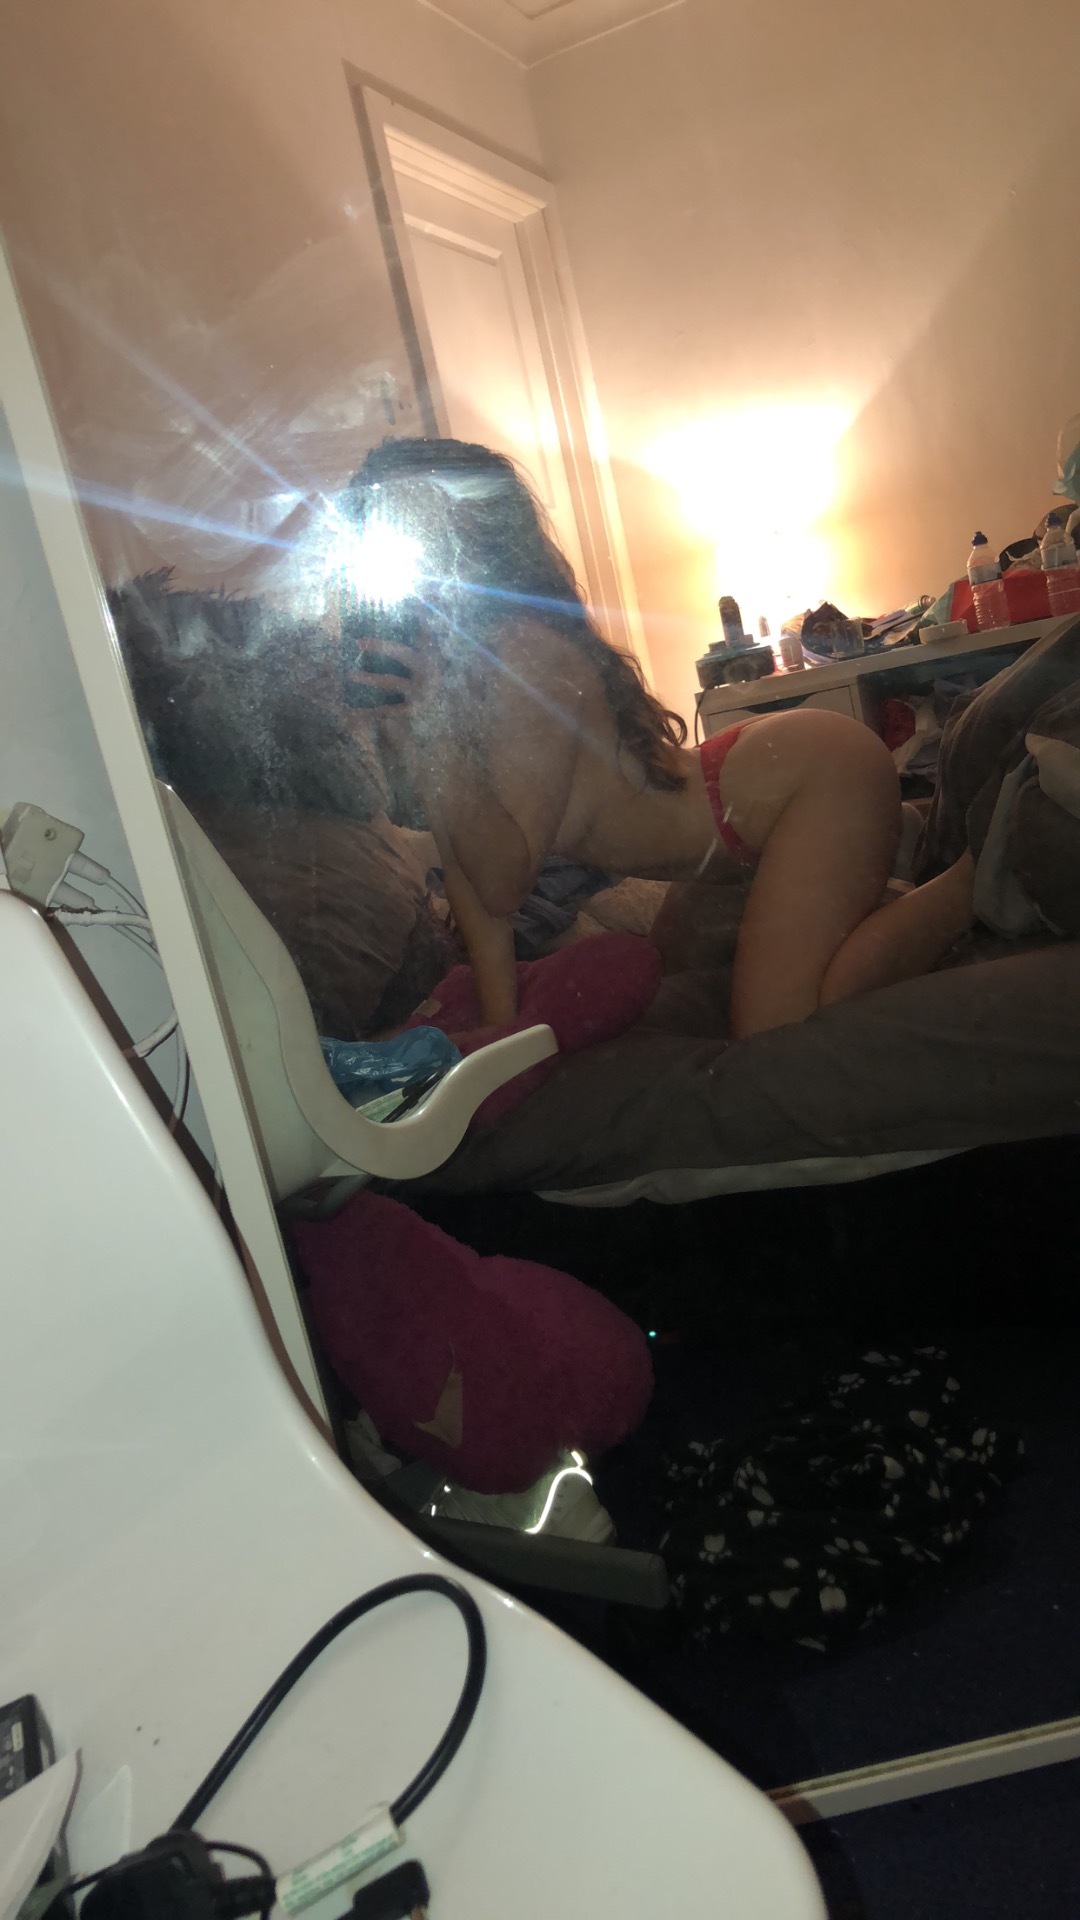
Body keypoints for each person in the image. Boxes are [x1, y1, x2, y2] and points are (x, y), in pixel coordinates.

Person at [336, 437, 975, 1039]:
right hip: (735, 820)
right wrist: (500, 1033)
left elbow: (505, 883)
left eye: (421, 533)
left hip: (812, 778)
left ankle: (971, 880)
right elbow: (472, 881)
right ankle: (876, 863)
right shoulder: (446, 677)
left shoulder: (524, 652)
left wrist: (434, 738)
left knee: (775, 1029)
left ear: (475, 540)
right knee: (679, 993)